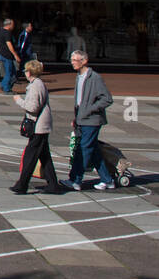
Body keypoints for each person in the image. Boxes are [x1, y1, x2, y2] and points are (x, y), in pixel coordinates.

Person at [61, 50, 116, 191]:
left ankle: (75, 180)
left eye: (75, 60)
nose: (72, 62)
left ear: (84, 61)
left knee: (83, 149)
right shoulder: (79, 77)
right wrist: (77, 117)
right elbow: (79, 101)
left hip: (92, 120)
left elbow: (107, 99)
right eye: (71, 59)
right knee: (93, 150)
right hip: (82, 119)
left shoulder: (94, 78)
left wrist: (90, 109)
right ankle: (108, 180)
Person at [10, 60, 60, 194]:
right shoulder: (37, 84)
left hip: (39, 126)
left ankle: (22, 184)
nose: (25, 73)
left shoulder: (35, 86)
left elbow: (33, 107)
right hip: (42, 125)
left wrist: (19, 100)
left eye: (26, 70)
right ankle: (53, 184)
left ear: (30, 72)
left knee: (30, 156)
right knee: (44, 155)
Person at [0, 18, 21, 94]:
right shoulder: (7, 33)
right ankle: (6, 89)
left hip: (2, 54)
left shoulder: (0, 32)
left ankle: (3, 85)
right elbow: (9, 45)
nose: (13, 26)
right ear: (9, 25)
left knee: (12, 73)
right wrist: (15, 55)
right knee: (9, 73)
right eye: (13, 24)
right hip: (7, 55)